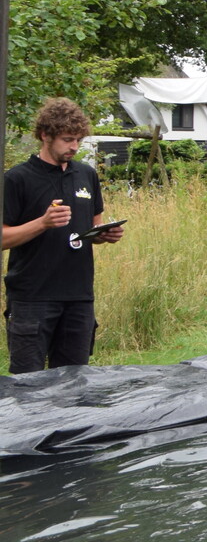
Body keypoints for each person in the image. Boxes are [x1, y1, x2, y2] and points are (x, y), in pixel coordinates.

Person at [4, 98, 125, 372]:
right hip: (32, 298)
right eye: (67, 139)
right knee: (28, 384)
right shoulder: (17, 179)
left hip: (78, 297)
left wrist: (104, 234)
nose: (74, 147)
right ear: (45, 135)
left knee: (75, 382)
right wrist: (42, 223)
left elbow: (92, 226)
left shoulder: (86, 175)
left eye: (78, 140)